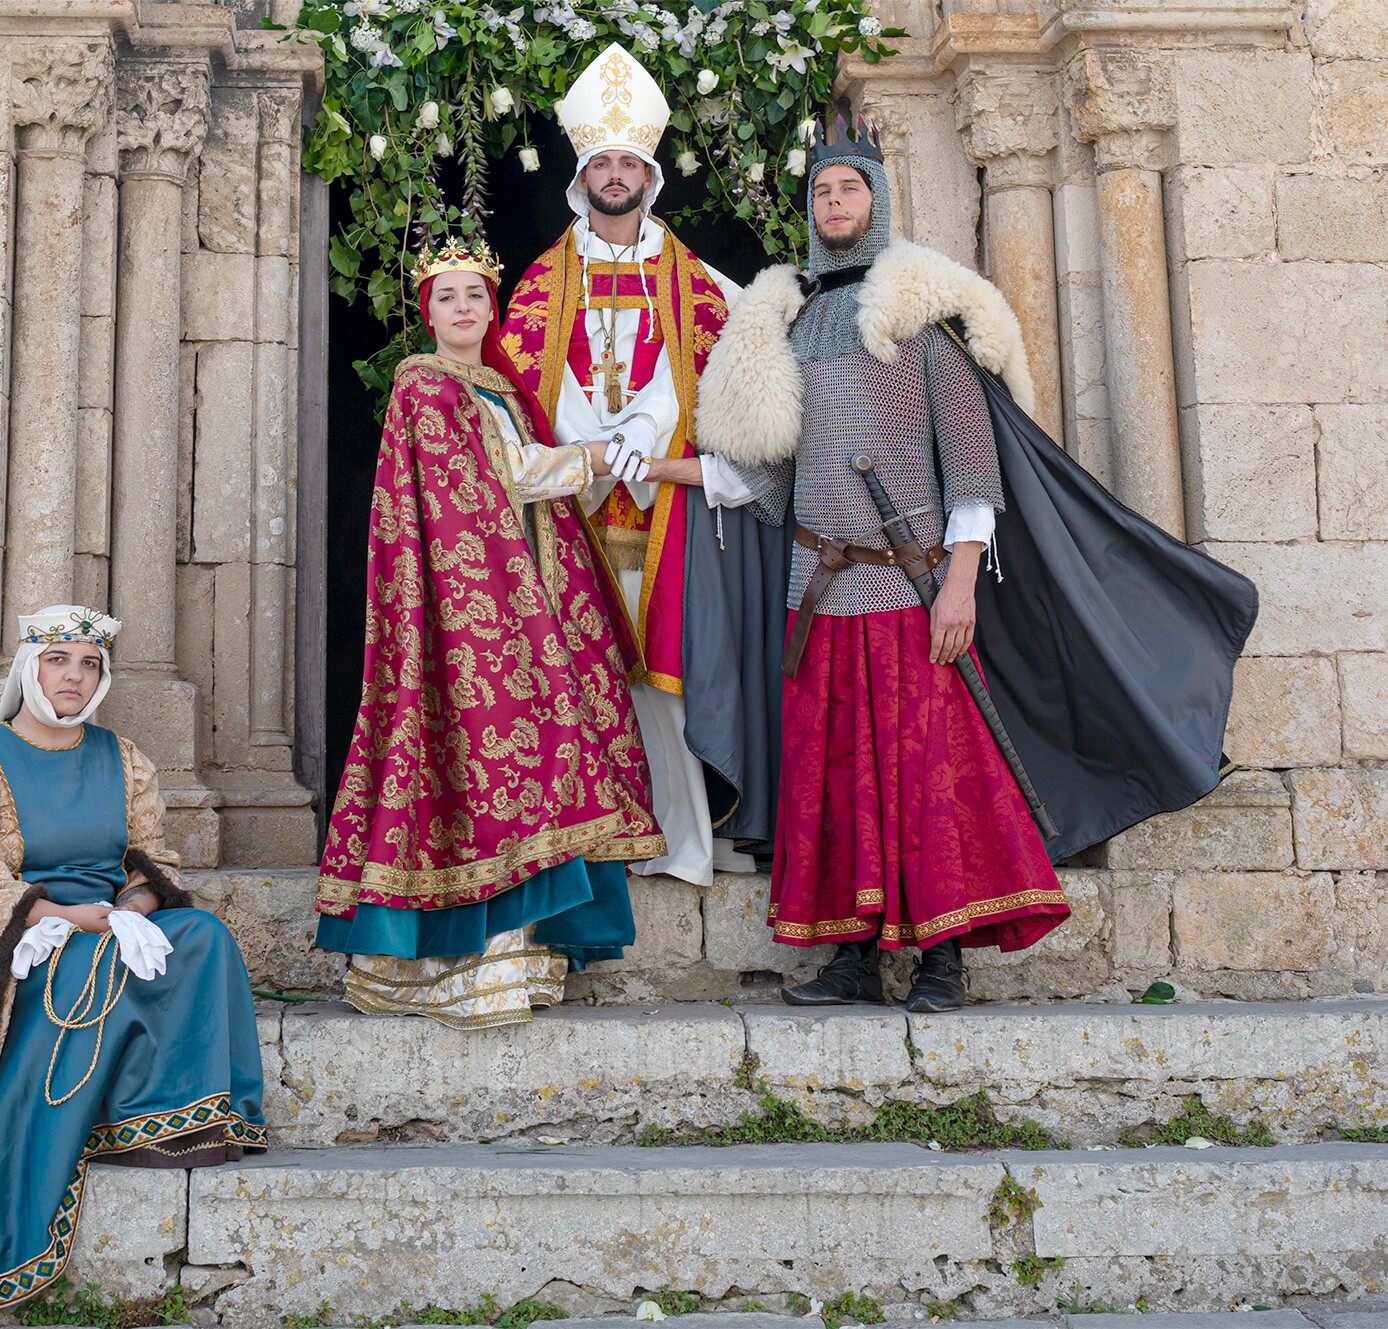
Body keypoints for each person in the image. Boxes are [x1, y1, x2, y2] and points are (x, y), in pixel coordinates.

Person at [695, 119, 1256, 1012]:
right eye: (823, 193)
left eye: (850, 189)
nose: (835, 203)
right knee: (835, 776)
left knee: (930, 775)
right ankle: (848, 955)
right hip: (819, 592)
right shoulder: (792, 323)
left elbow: (971, 462)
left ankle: (943, 958)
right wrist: (640, 463)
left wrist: (959, 582)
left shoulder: (919, 313)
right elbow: (760, 469)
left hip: (908, 584)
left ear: (877, 202)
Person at [0, 606, 266, 1322]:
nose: (73, 676)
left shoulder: (122, 757)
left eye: (88, 664)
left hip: (106, 922)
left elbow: (153, 859)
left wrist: (134, 910)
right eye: (58, 661)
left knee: (203, 937)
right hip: (16, 934)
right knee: (88, 967)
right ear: (30, 668)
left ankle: (167, 1122)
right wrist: (71, 918)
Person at [315, 237, 664, 1029]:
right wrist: (594, 456)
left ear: (491, 309)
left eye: (475, 294)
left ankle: (525, 953)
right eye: (447, 297)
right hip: (471, 609)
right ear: (427, 311)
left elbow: (522, 474)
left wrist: (589, 456)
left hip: (524, 599)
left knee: (538, 758)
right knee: (478, 753)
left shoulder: (496, 391)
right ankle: (458, 963)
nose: (463, 308)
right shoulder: (424, 385)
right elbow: (468, 497)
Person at [501, 42, 787, 888]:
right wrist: (593, 440)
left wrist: (652, 427)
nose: (617, 173)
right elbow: (521, 383)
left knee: (665, 684)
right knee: (576, 675)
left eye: (630, 160)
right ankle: (588, 842)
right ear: (583, 173)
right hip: (576, 512)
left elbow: (727, 356)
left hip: (664, 514)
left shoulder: (693, 276)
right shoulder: (543, 279)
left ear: (650, 175)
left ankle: (679, 839)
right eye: (604, 161)